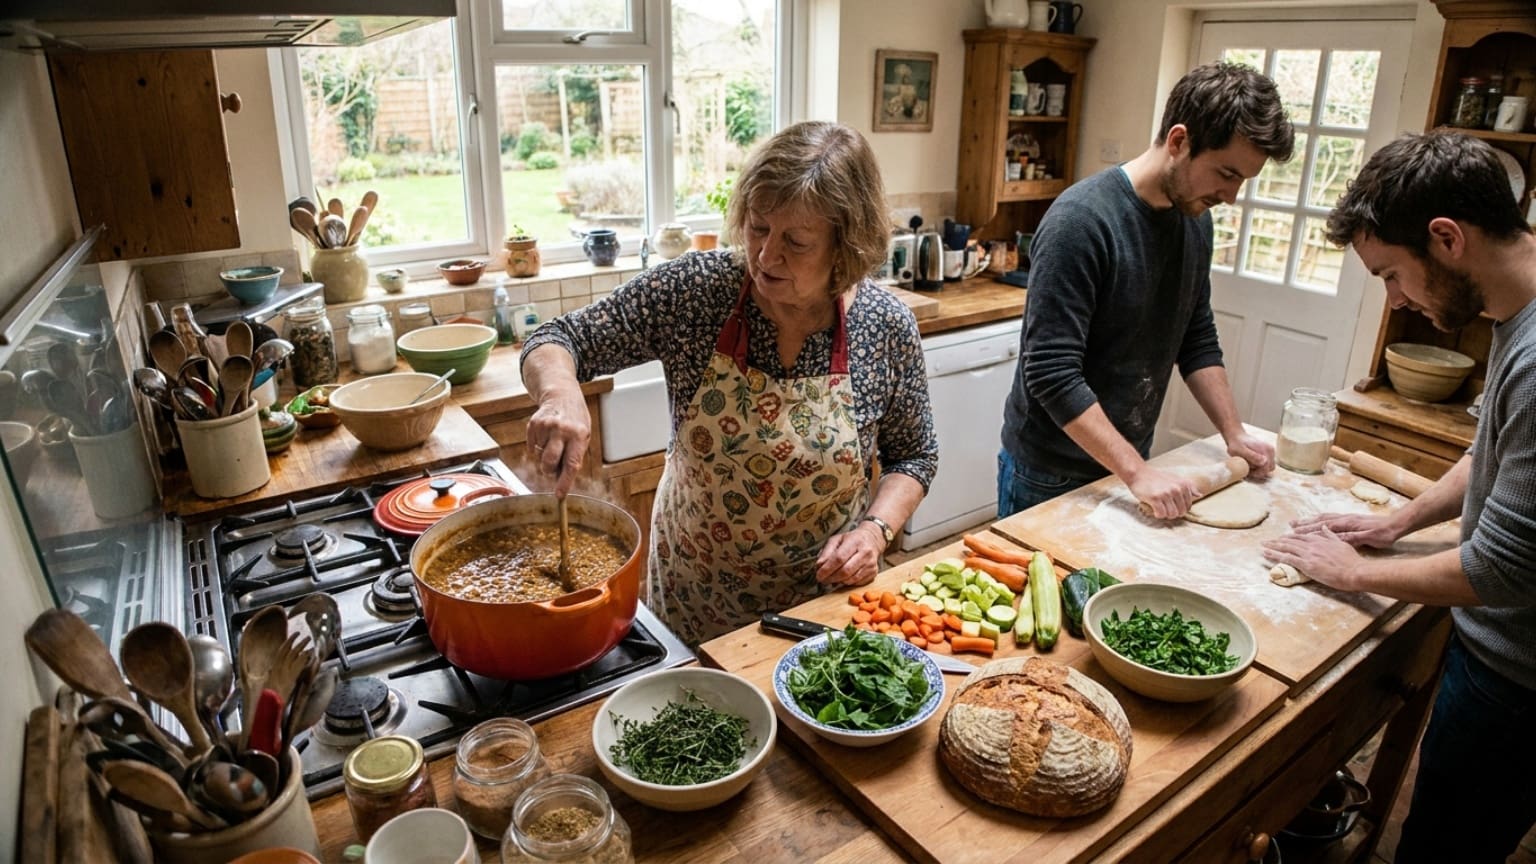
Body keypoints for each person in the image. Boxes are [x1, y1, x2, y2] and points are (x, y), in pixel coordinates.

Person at [519, 121, 938, 646]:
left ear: (845, 246)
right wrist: (561, 392)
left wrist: (875, 531)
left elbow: (914, 455)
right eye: (759, 228)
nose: (765, 256)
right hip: (692, 596)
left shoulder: (884, 325)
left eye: (796, 242)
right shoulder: (698, 292)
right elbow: (559, 338)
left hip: (818, 606)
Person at [1262, 131, 1536, 864]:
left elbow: (1500, 571)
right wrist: (1401, 520)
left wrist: (1348, 572)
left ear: (1446, 239)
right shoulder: (1519, 310)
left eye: (1390, 274)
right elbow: (1490, 451)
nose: (1395, 299)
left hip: (1519, 687)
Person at [997, 62, 1295, 519]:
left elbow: (1195, 336)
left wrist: (1233, 433)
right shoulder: (1081, 222)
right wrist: (1137, 473)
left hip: (1130, 461)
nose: (1232, 195)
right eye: (1227, 173)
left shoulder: (1195, 220)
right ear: (1179, 142)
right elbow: (1051, 373)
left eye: (1242, 181)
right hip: (1051, 473)